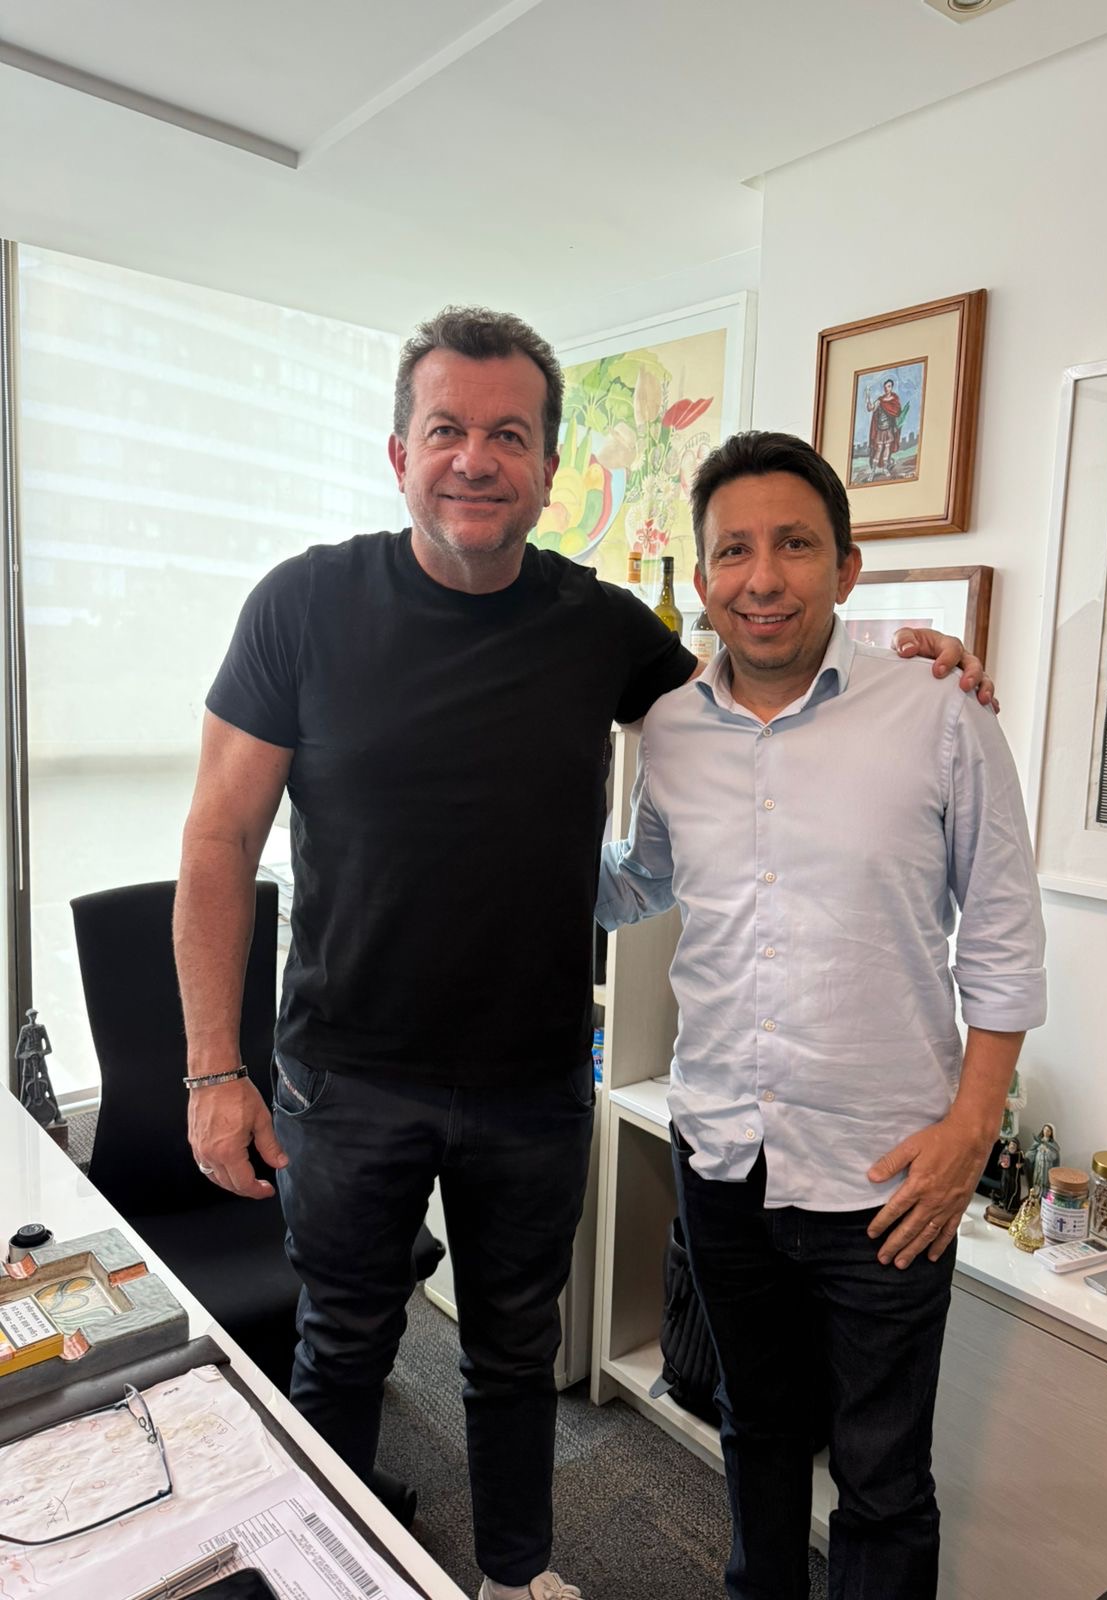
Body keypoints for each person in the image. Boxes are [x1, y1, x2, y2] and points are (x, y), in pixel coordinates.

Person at [175, 310, 994, 1600]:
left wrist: (908, 652)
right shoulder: (303, 605)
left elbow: (757, 677)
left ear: (549, 468)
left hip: (533, 1083)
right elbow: (219, 835)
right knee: (344, 1349)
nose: (476, 458)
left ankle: (516, 1578)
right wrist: (211, 1067)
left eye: (509, 434)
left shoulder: (600, 628)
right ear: (400, 453)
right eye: (447, 429)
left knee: (515, 1354)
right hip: (347, 1074)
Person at [597, 429, 1046, 1600]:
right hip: (724, 1157)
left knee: (883, 1480)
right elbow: (638, 885)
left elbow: (1003, 937)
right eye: (734, 550)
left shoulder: (941, 711)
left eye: (794, 545)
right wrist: (501, 816)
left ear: (846, 566)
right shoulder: (673, 728)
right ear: (704, 578)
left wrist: (971, 1132)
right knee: (754, 1432)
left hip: (888, 1177)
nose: (763, 577)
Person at [866, 377, 903, 476]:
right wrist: (868, 396)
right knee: (879, 449)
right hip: (880, 429)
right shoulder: (880, 400)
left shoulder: (895, 399)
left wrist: (896, 425)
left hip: (889, 429)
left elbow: (897, 412)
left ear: (891, 387)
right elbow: (870, 408)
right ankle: (873, 472)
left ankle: (885, 469)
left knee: (887, 448)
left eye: (889, 386)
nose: (887, 389)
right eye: (885, 387)